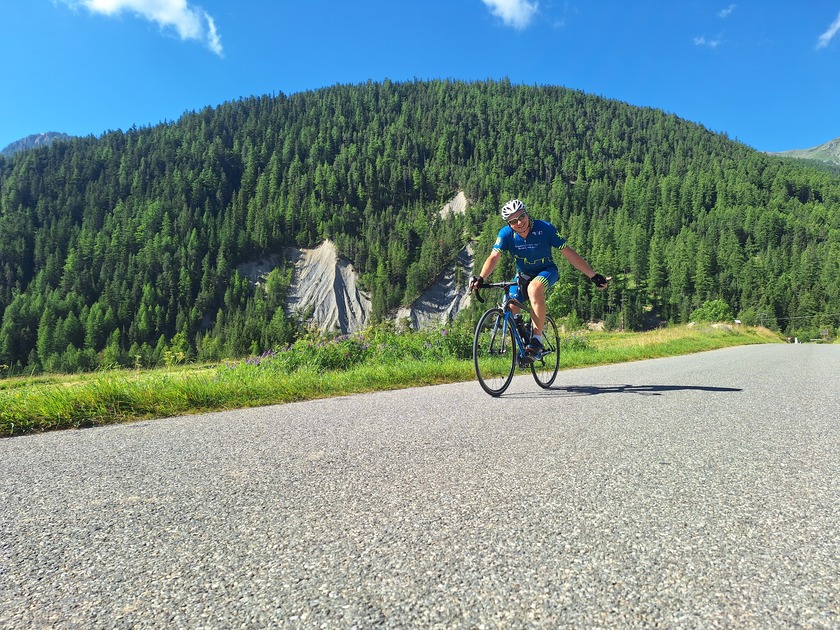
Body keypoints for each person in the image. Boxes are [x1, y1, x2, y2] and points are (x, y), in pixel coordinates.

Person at [469, 199, 609, 358]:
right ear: (508, 224)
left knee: (534, 289)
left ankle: (537, 339)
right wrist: (481, 278)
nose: (519, 222)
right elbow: (494, 257)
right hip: (522, 276)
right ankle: (525, 338)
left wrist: (592, 275)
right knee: (508, 309)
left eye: (521, 216)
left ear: (527, 214)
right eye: (513, 221)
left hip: (547, 271)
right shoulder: (506, 234)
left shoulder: (545, 228)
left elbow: (568, 252)